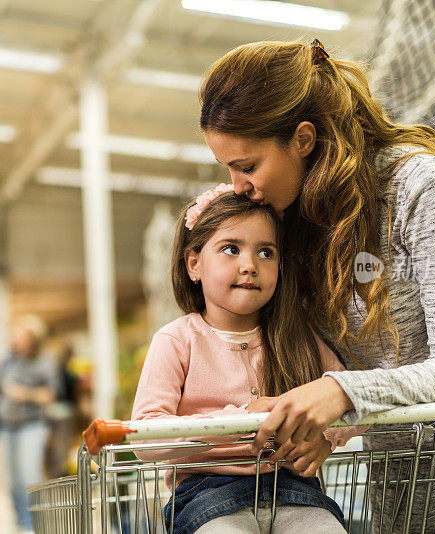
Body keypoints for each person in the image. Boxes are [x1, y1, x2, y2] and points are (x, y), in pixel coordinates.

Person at [198, 39, 435, 533]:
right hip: (403, 487)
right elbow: (350, 369)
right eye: (229, 168)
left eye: (247, 165)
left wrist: (338, 393)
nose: (238, 185)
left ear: (303, 139)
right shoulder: (295, 227)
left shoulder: (419, 185)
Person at [131, 185, 365, 534]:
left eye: (266, 252)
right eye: (230, 249)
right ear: (194, 264)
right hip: (207, 496)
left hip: (296, 491)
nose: (249, 265)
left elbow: (353, 398)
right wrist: (237, 423)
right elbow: (146, 437)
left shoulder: (297, 338)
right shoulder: (176, 341)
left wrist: (325, 435)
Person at [0, 315, 59, 533]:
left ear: (33, 338)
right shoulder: (8, 360)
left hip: (32, 424)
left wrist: (26, 394)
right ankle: (20, 521)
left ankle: (33, 523)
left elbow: (50, 395)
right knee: (10, 478)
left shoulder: (45, 361)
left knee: (29, 475)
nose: (15, 339)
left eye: (20, 335)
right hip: (6, 426)